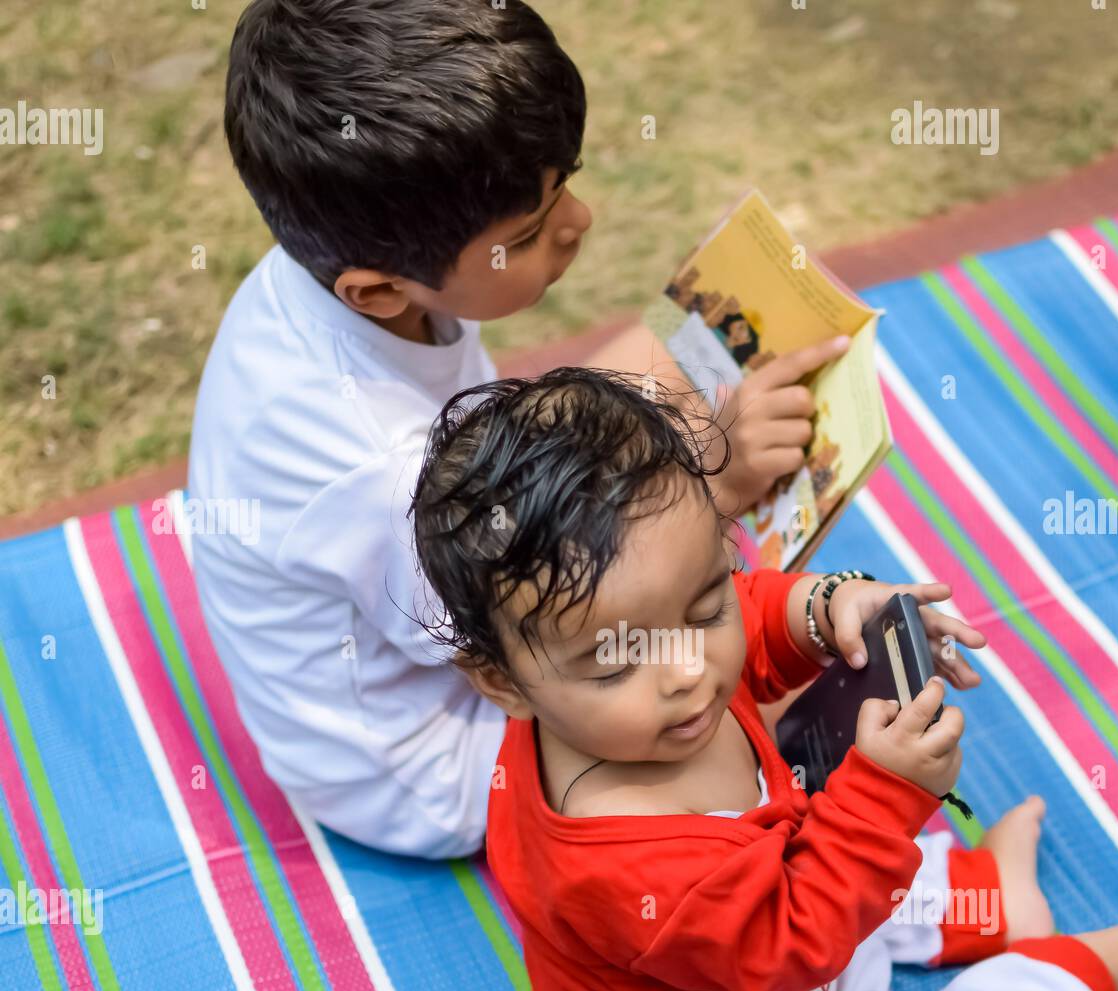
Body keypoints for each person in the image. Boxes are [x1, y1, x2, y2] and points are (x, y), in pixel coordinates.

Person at [408, 366, 1118, 991]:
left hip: (779, 915)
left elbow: (751, 607)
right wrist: (890, 795)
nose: (689, 671)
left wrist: (825, 608)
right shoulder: (622, 863)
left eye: (701, 605)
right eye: (617, 659)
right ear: (501, 683)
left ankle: (985, 895)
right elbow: (796, 937)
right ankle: (1061, 982)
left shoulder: (625, 665)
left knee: (854, 849)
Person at [188, 0, 845, 856]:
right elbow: (551, 610)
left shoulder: (356, 273)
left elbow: (518, 449)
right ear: (381, 290)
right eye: (532, 231)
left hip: (479, 579)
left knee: (692, 382)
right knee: (733, 700)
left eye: (563, 185)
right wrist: (715, 483)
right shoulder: (371, 461)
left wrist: (695, 365)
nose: (581, 222)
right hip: (431, 761)